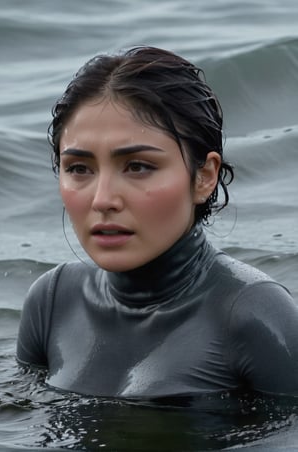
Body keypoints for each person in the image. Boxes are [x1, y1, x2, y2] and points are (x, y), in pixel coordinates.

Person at [17, 46, 298, 397]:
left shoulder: (255, 315)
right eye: (79, 168)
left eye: (138, 166)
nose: (103, 199)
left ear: (204, 177)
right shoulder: (53, 301)